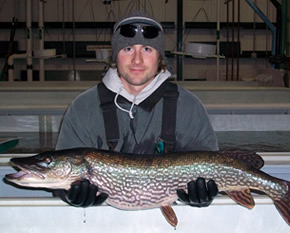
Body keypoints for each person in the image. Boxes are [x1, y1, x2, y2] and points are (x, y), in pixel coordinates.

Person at [55, 11, 219, 208]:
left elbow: (213, 167)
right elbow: (59, 177)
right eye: (128, 49)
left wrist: (204, 195)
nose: (137, 60)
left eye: (147, 49)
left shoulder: (188, 106)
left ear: (160, 57)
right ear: (116, 55)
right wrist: (67, 194)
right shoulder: (83, 108)